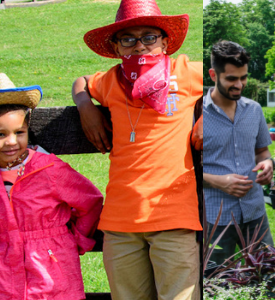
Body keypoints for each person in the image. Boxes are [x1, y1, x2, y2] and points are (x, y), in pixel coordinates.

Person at [71, 0, 203, 297]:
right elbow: (81, 82)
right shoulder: (110, 81)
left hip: (173, 217)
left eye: (148, 37)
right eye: (128, 39)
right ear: (116, 48)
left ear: (165, 42)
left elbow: (229, 81)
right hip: (120, 221)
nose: (139, 46)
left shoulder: (184, 72)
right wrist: (84, 106)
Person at [0, 74, 104, 299]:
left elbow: (90, 201)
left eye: (19, 132)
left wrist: (78, 239)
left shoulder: (49, 169)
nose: (11, 141)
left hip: (53, 265)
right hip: (5, 264)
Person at [200, 41, 274, 270]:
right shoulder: (196, 113)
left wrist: (267, 163)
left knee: (270, 273)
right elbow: (183, 166)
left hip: (255, 211)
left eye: (243, 77)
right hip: (216, 216)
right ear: (213, 74)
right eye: (231, 79)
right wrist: (218, 182)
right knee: (218, 281)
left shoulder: (254, 110)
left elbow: (262, 151)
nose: (239, 85)